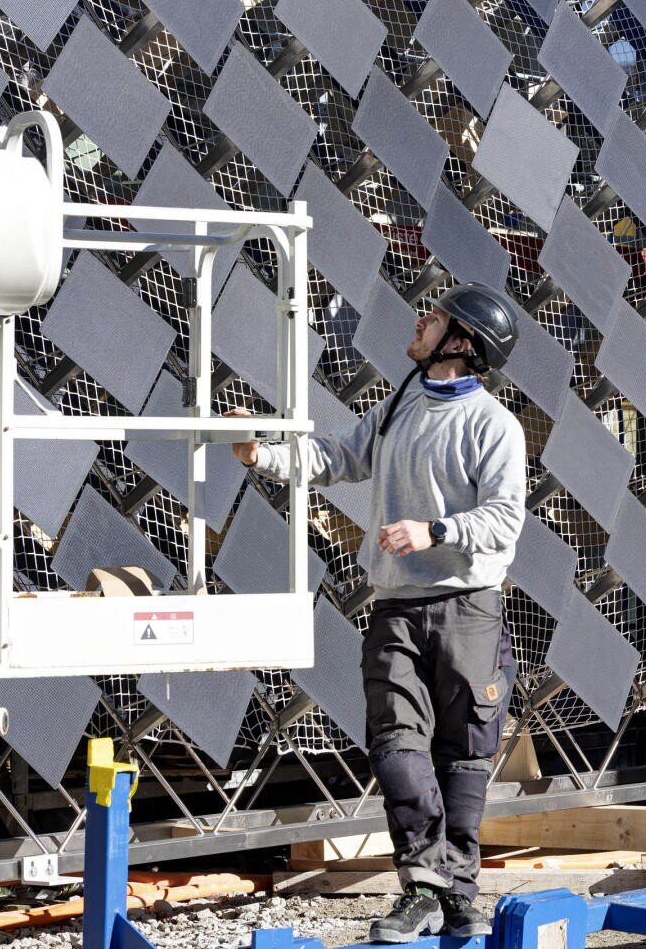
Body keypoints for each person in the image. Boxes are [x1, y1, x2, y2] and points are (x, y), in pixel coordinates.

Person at [230, 283, 526, 942]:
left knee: (465, 757)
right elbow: (338, 456)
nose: (421, 320)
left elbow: (506, 519)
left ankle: (457, 896)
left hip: (468, 609)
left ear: (460, 341)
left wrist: (436, 531)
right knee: (396, 746)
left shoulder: (492, 425)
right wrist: (263, 454)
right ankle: (422, 886)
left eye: (436, 317)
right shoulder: (397, 405)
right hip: (395, 607)